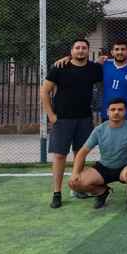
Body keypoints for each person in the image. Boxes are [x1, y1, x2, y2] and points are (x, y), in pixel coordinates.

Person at [40, 38, 103, 208]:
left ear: (88, 50)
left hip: (84, 119)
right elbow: (44, 91)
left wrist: (102, 60)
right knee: (60, 155)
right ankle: (57, 193)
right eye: (77, 48)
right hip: (62, 120)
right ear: (72, 51)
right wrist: (51, 115)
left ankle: (77, 187)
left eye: (84, 48)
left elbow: (112, 63)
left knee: (79, 154)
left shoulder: (94, 69)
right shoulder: (60, 67)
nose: (80, 50)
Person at [68, 98, 127, 208]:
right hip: (104, 167)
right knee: (74, 183)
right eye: (113, 109)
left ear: (125, 112)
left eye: (120, 109)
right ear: (107, 112)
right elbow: (82, 153)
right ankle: (102, 192)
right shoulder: (99, 130)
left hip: (125, 166)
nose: (116, 112)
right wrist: (75, 173)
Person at [100, 39, 127, 123]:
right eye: (117, 49)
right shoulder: (104, 64)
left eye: (123, 49)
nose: (120, 52)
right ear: (112, 52)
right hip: (108, 112)